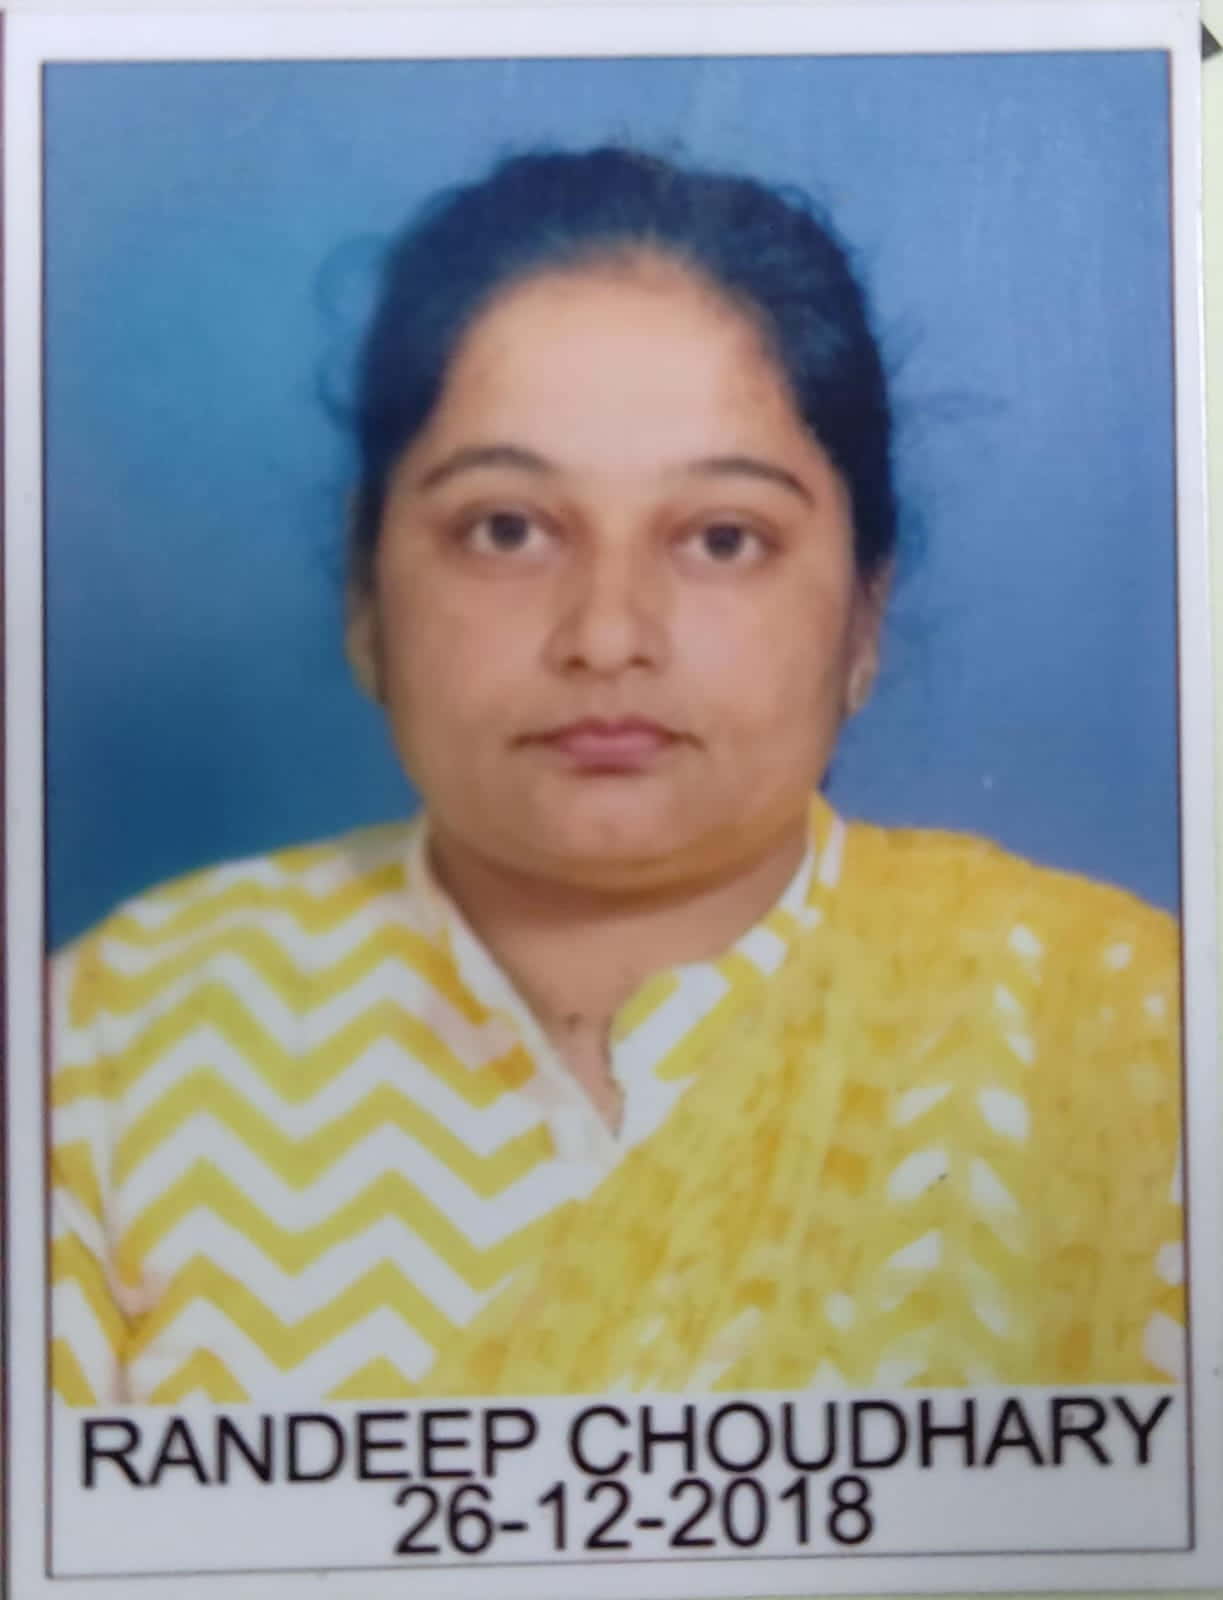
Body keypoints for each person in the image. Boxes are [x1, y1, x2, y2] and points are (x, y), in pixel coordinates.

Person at [50, 147, 1182, 1406]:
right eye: (506, 529)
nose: (604, 635)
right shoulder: (110, 1037)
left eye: (721, 538)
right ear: (366, 596)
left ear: (862, 617)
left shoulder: (1129, 1033)